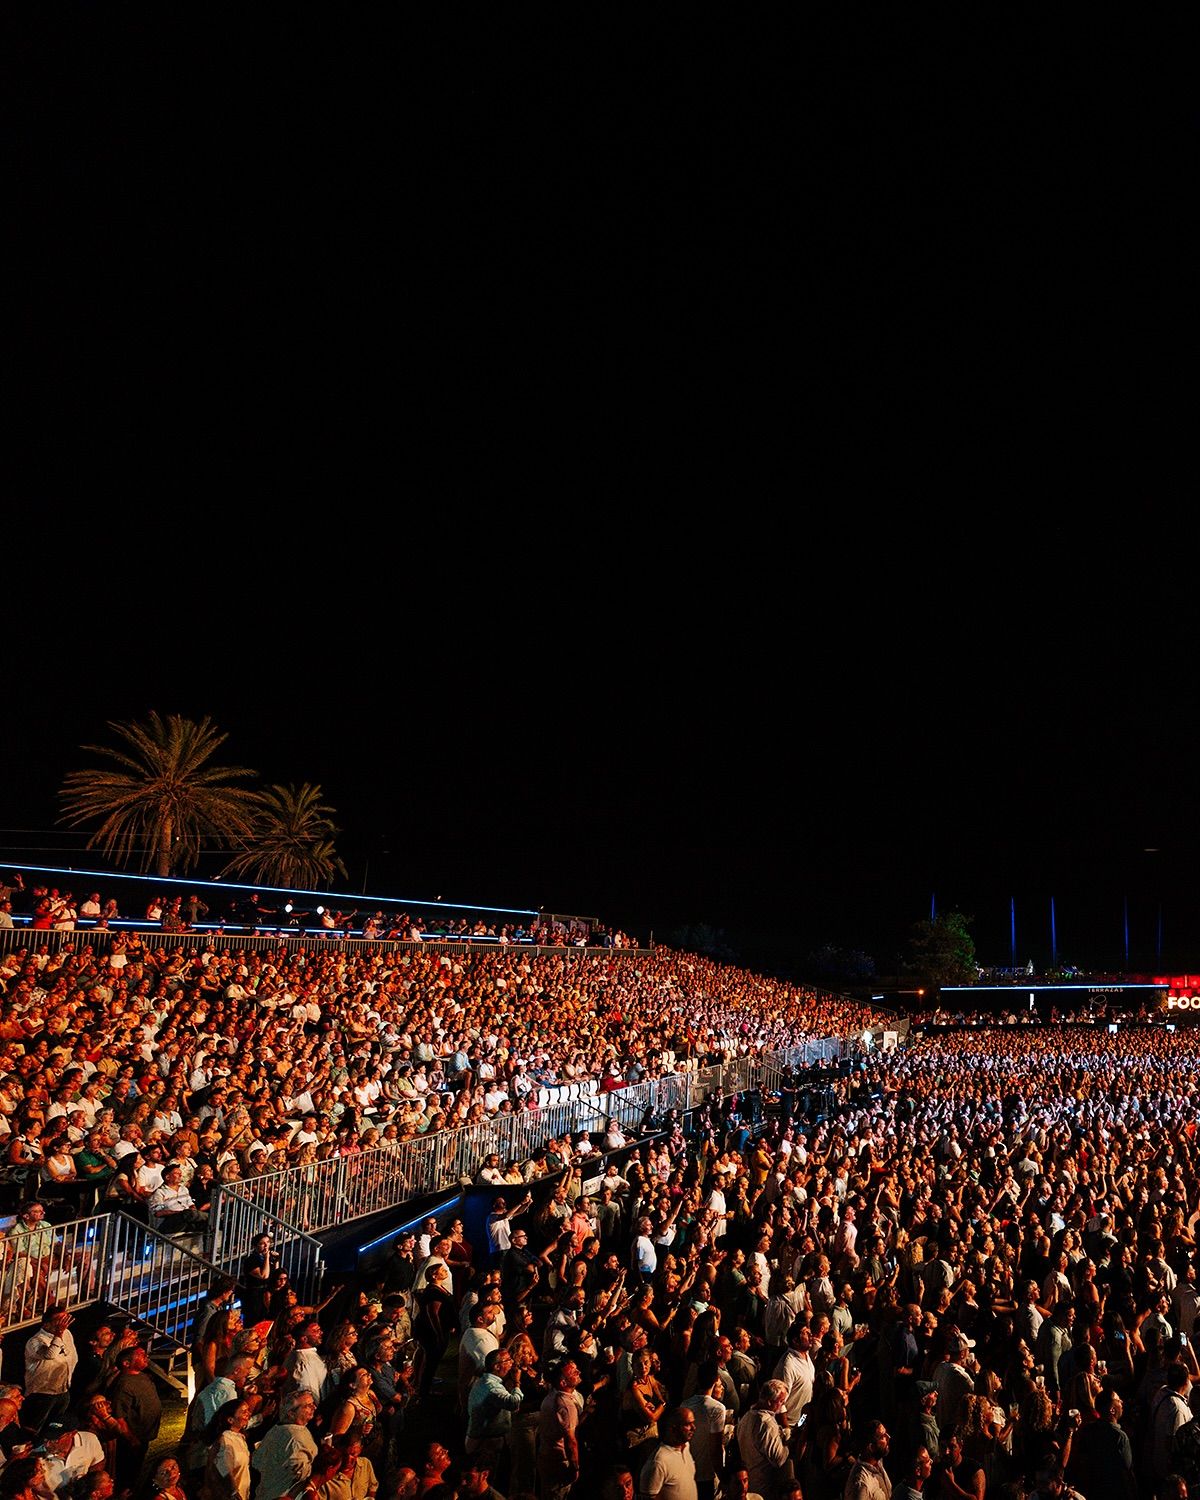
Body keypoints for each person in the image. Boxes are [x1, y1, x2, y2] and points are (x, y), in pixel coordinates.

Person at [109, 1344, 163, 1491]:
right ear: (126, 1363)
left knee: (138, 1469)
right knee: (128, 1474)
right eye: (140, 1355)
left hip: (144, 1436)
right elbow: (119, 1417)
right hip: (132, 1440)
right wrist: (132, 1439)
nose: (146, 1357)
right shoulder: (124, 1384)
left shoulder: (143, 1376)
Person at [251, 1391, 319, 1500]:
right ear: (291, 1413)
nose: (314, 1407)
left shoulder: (280, 1428)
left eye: (313, 1404)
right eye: (308, 1406)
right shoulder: (295, 1439)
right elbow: (300, 1474)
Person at [23, 1306, 78, 1432]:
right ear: (47, 1324)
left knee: (53, 1427)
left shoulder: (67, 1334)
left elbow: (71, 1357)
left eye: (66, 1319)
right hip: (41, 1394)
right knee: (34, 1427)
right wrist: (58, 1334)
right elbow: (50, 1355)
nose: (65, 1324)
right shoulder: (35, 1341)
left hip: (62, 1391)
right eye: (61, 1320)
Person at [737, 1381, 794, 1500]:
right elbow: (779, 1459)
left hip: (751, 1481)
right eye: (781, 1402)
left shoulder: (746, 1416)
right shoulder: (766, 1424)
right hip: (764, 1486)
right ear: (769, 1402)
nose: (782, 1406)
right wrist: (788, 1441)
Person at [537, 1359, 584, 1500]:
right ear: (563, 1383)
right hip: (558, 1462)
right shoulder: (565, 1404)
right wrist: (574, 1467)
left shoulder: (551, 1397)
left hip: (546, 1456)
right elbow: (571, 1441)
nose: (579, 1372)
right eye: (573, 1372)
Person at [639, 1407, 699, 1500]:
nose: (694, 1428)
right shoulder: (658, 1461)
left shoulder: (686, 1447)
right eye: (688, 1424)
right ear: (672, 1428)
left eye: (693, 1423)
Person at [844, 1421, 892, 1500]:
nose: (888, 1437)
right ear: (871, 1447)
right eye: (883, 1436)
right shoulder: (860, 1484)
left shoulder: (878, 1462)